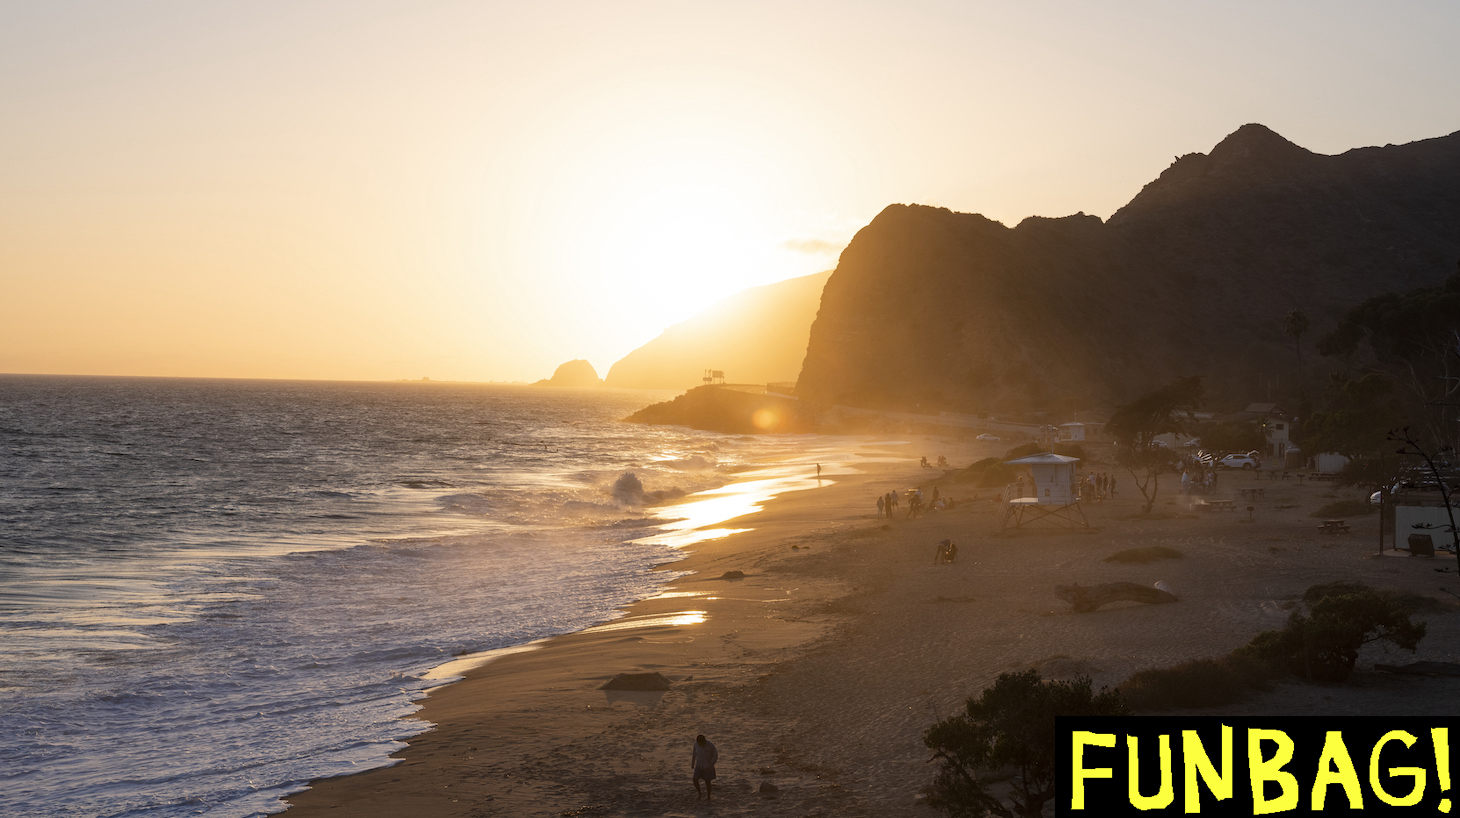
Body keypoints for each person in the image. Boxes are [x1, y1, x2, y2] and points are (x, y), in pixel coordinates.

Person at [692, 734, 718, 800]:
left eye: (701, 743)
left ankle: (708, 796)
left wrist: (710, 764)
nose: (700, 745)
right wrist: (692, 763)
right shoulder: (696, 745)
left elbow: (715, 755)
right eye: (699, 743)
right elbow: (694, 754)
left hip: (708, 767)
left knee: (707, 782)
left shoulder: (710, 745)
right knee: (695, 779)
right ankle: (699, 793)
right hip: (699, 766)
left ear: (704, 741)